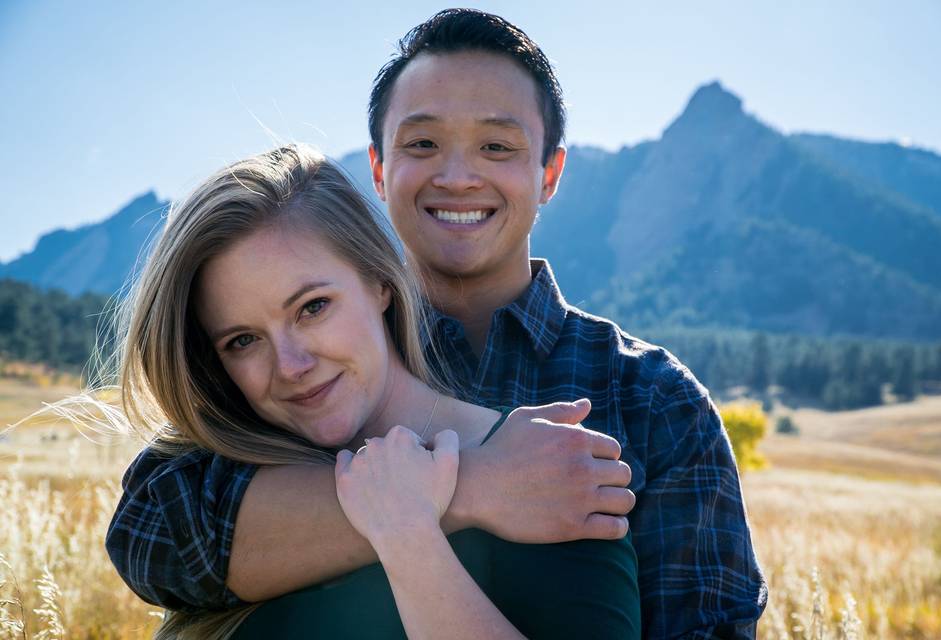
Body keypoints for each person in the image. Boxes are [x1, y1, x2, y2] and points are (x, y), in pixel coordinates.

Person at [108, 9, 766, 638]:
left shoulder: (651, 396)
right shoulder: (307, 386)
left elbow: (709, 629)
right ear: (379, 169)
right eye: (422, 143)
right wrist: (475, 483)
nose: (457, 176)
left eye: (496, 145)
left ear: (550, 174)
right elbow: (150, 532)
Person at [112, 143, 640, 639]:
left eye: (312, 307)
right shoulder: (218, 484)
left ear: (380, 281)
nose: (291, 366)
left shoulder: (551, 476)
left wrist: (410, 538)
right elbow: (139, 533)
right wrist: (460, 490)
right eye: (243, 340)